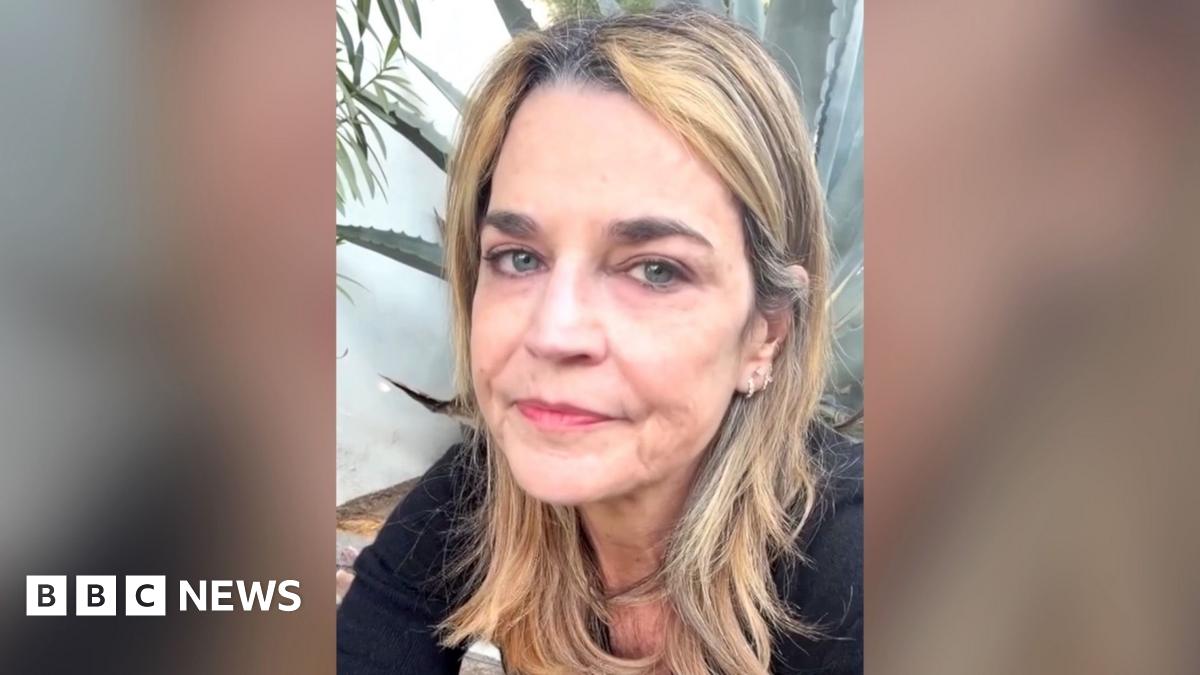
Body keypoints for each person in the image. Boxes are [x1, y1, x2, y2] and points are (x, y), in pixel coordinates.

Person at [338, 6, 862, 674]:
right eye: (519, 257)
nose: (553, 332)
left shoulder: (857, 567)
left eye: (655, 269)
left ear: (766, 335)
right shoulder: (480, 497)